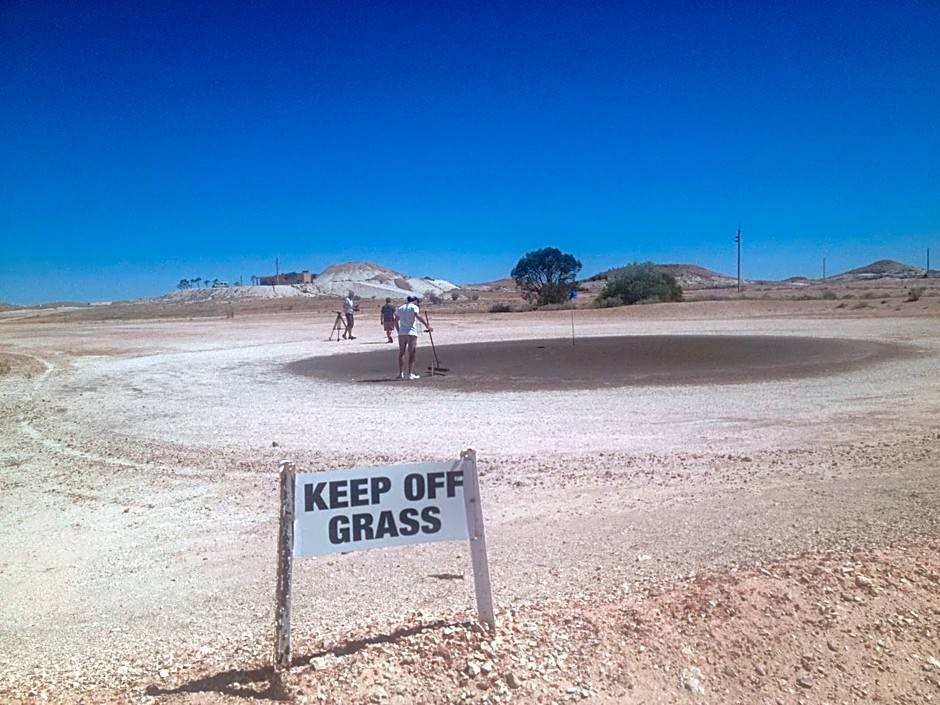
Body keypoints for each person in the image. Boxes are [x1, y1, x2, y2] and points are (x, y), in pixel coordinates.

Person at [395, 295, 431, 380]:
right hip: (411, 333)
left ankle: (400, 373)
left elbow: (395, 321)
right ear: (414, 301)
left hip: (402, 334)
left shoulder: (401, 308)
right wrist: (427, 325)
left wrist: (399, 330)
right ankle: (410, 374)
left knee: (401, 353)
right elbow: (418, 316)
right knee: (412, 353)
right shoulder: (414, 307)